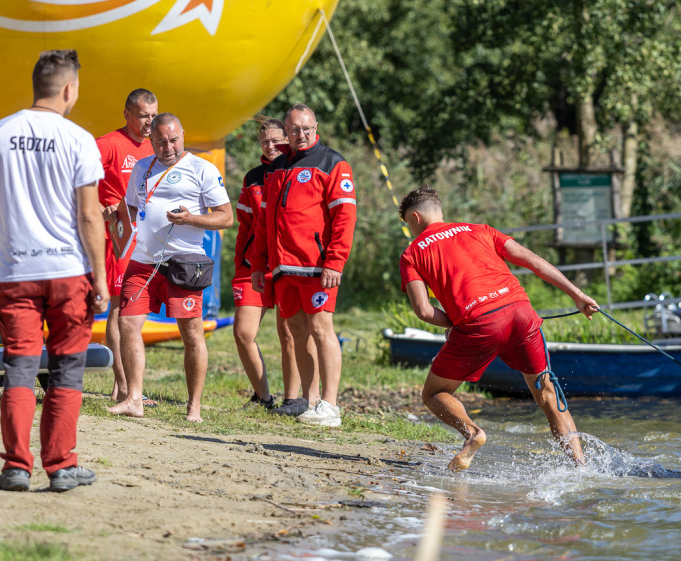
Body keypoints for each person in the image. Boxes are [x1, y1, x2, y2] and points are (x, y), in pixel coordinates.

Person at [0, 49, 108, 492]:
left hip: (14, 271)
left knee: (20, 370)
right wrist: (101, 277)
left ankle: (15, 468)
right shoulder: (79, 138)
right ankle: (62, 467)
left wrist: (7, 222)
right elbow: (88, 217)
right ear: (69, 89)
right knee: (66, 370)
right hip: (68, 271)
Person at [397, 185, 597, 472]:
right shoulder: (481, 229)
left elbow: (424, 311)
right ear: (439, 211)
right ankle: (581, 468)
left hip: (479, 323)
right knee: (548, 396)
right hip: (521, 313)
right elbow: (534, 262)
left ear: (415, 218)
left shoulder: (412, 253)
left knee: (434, 393)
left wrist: (456, 324)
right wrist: (577, 294)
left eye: (409, 225)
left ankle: (472, 433)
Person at [110, 112, 232, 422]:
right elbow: (133, 206)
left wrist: (191, 218)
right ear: (150, 140)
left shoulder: (202, 168)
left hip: (184, 263)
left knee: (191, 334)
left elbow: (226, 218)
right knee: (128, 324)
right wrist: (116, 216)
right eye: (161, 141)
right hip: (143, 260)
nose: (169, 147)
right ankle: (134, 398)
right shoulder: (141, 167)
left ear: (183, 135)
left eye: (174, 140)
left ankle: (194, 407)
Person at [249, 104, 356, 428]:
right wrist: (259, 263)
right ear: (287, 131)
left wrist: (335, 261)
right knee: (297, 334)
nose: (301, 135)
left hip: (317, 266)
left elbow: (345, 218)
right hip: (283, 268)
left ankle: (331, 405)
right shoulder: (277, 167)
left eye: (307, 129)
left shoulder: (332, 162)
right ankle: (309, 402)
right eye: (295, 130)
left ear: (316, 126)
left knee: (322, 330)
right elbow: (266, 222)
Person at [232, 117, 317, 414]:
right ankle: (263, 396)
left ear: (288, 139)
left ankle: (292, 400)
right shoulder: (253, 177)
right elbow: (245, 225)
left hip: (288, 262)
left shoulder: (299, 169)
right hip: (253, 265)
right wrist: (242, 261)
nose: (270, 146)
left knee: (289, 333)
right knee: (243, 332)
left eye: (275, 140)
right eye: (264, 141)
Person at [96, 88, 158, 403]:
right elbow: (78, 178)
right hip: (118, 240)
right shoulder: (108, 144)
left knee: (134, 311)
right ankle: (123, 386)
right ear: (127, 115)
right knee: (120, 310)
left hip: (148, 240)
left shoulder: (156, 145)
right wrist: (99, 207)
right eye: (143, 116)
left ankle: (125, 385)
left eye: (153, 116)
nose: (149, 122)